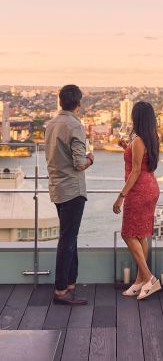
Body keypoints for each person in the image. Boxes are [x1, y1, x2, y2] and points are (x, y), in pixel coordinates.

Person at [45, 84, 94, 305]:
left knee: (69, 237)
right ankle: (61, 290)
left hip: (57, 188)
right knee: (67, 239)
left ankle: (70, 284)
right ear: (78, 104)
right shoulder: (75, 125)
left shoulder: (51, 124)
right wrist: (91, 159)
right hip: (73, 190)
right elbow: (79, 163)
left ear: (60, 101)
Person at [113, 101, 161, 300]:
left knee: (127, 233)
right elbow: (143, 161)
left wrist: (120, 196)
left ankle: (149, 278)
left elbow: (135, 171)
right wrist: (126, 146)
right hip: (150, 187)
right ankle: (140, 280)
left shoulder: (139, 140)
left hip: (138, 190)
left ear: (137, 117)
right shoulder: (151, 138)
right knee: (141, 234)